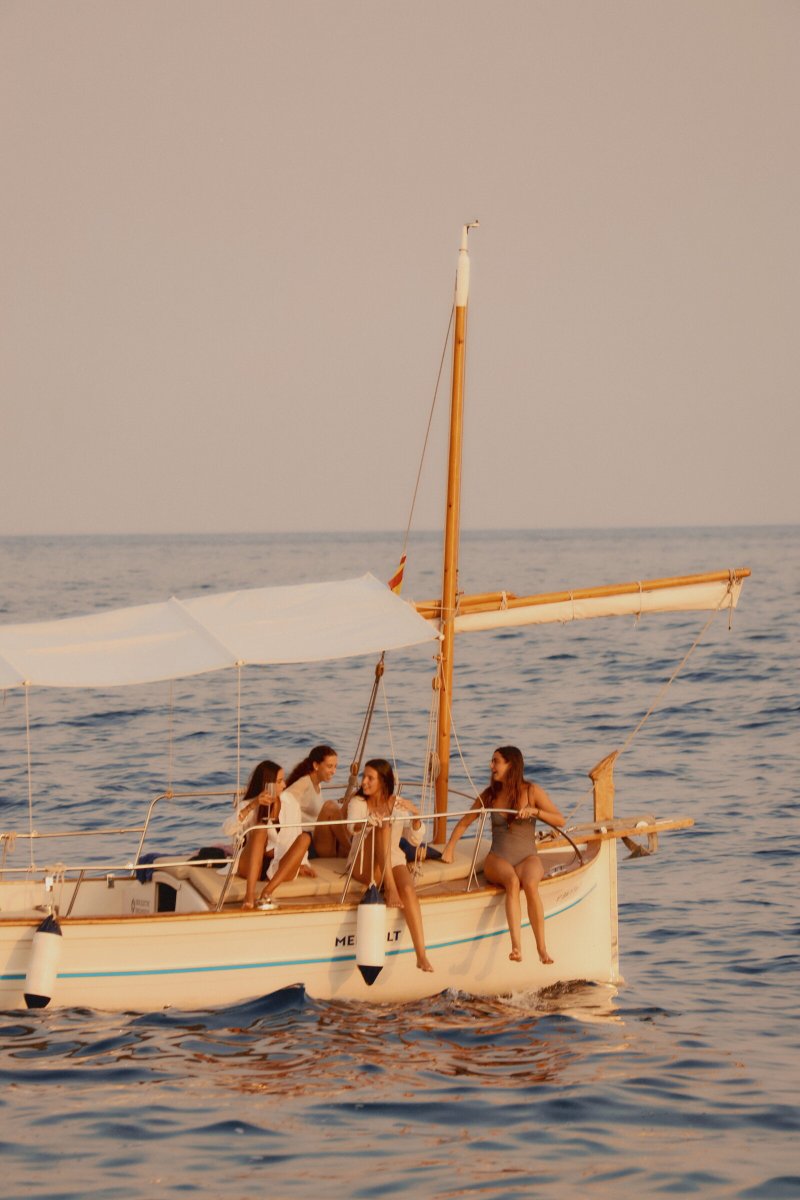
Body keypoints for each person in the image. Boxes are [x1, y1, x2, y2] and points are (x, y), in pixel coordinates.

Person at [441, 746, 564, 965]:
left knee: (531, 884)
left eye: (496, 761)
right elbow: (464, 822)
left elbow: (559, 820)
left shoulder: (532, 791)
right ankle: (516, 947)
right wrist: (450, 848)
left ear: (511, 765)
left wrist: (535, 811)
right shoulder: (490, 795)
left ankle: (542, 949)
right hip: (498, 858)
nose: (491, 766)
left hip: (528, 857)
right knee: (512, 882)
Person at [346, 758, 433, 973]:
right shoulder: (357, 803)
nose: (364, 782)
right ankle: (390, 889)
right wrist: (368, 822)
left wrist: (415, 816)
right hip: (363, 860)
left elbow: (414, 839)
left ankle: (421, 954)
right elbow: (351, 828)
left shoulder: (398, 803)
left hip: (393, 859)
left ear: (383, 782)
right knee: (382, 826)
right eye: (363, 777)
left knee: (409, 890)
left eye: (370, 778)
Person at [230, 760, 316, 910]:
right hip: (250, 865)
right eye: (279, 781)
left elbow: (296, 832)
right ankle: (249, 895)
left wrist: (302, 863)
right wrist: (254, 804)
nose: (284, 785)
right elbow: (228, 829)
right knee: (261, 828)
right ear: (267, 784)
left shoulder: (290, 803)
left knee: (305, 838)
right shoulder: (249, 805)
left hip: (279, 867)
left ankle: (267, 892)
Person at [283, 744, 350, 858]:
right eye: (329, 766)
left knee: (352, 799)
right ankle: (350, 849)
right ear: (316, 765)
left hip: (319, 835)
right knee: (329, 806)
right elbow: (283, 800)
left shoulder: (318, 783)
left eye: (335, 766)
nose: (333, 771)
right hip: (311, 842)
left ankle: (347, 846)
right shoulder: (303, 783)